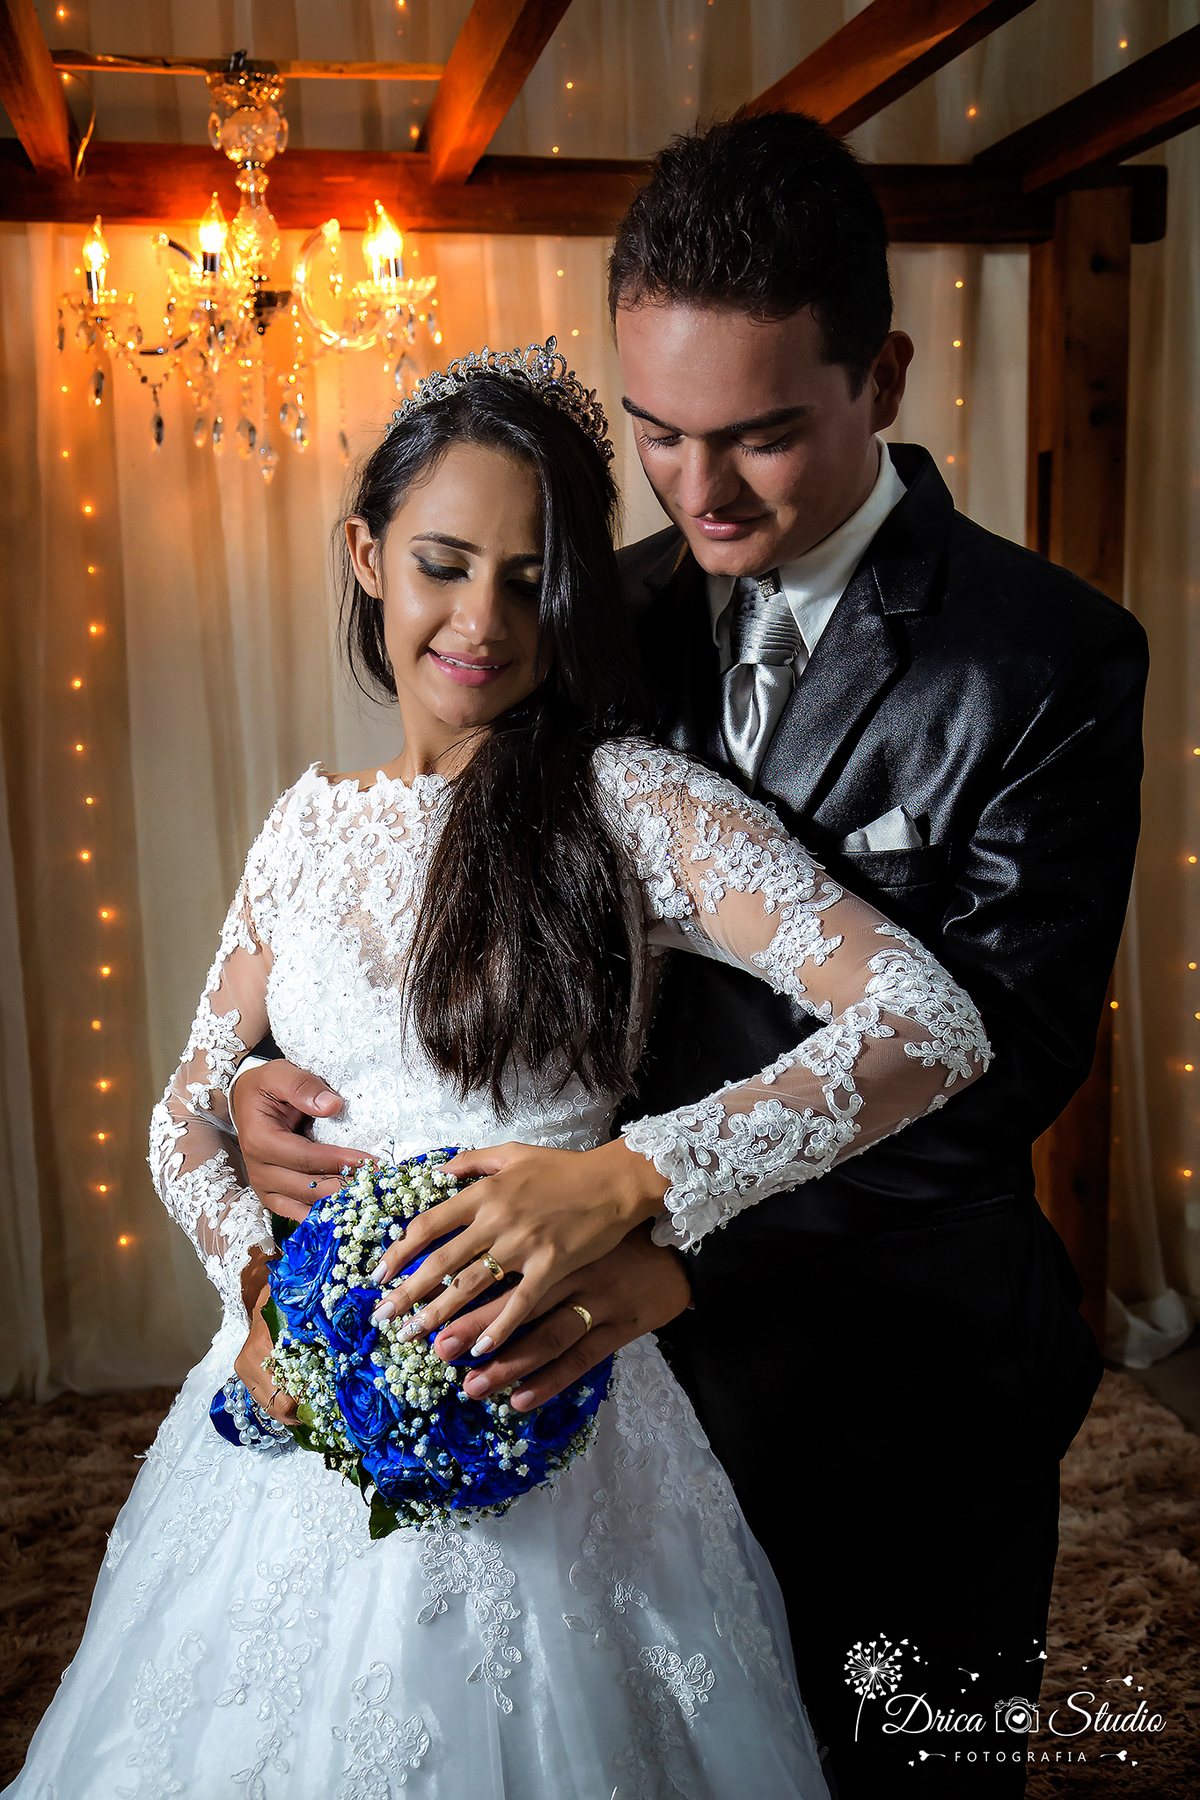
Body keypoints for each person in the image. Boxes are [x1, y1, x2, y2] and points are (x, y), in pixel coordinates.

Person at [230, 116, 1149, 1796]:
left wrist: (661, 1227)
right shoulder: (589, 613)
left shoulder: (1052, 660)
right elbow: (437, 890)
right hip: (603, 1392)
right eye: (658, 436)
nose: (701, 493)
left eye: (762, 437)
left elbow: (1007, 1053)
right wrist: (253, 1091)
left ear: (881, 373)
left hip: (900, 1374)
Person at [7, 343, 991, 1799]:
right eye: (443, 566)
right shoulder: (304, 828)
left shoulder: (631, 801)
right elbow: (181, 1115)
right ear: (367, 557)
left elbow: (928, 1020)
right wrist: (272, 1292)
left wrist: (637, 1178)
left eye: (531, 581)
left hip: (555, 1387)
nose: (482, 621)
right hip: (301, 1400)